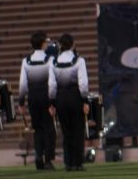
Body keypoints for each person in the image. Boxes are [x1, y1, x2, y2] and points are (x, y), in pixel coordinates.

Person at [16, 31, 58, 170]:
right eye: (46, 41)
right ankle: (48, 160)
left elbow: (23, 84)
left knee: (37, 129)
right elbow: (52, 83)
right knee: (49, 129)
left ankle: (38, 157)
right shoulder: (50, 60)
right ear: (42, 43)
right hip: (45, 96)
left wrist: (21, 102)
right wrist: (53, 102)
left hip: (32, 97)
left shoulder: (26, 61)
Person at [50, 34, 89, 171]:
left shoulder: (54, 62)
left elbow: (52, 85)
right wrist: (85, 100)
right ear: (73, 44)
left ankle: (68, 163)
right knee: (78, 130)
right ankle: (78, 163)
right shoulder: (79, 61)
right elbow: (83, 84)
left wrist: (53, 103)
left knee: (66, 131)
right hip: (75, 96)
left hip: (60, 97)